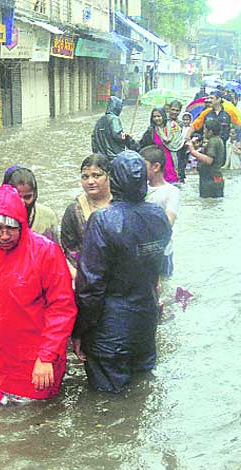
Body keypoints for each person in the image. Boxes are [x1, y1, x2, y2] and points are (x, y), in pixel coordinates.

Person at [0, 185, 77, 404]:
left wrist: (46, 357)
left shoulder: (46, 252)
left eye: (11, 228)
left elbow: (61, 308)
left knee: (37, 413)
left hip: (34, 360)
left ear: (22, 223)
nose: (4, 236)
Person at [73, 151, 172, 393]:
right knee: (142, 391)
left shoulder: (102, 220)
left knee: (108, 400)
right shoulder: (158, 216)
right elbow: (158, 268)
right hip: (145, 323)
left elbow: (90, 286)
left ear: (113, 180)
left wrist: (79, 331)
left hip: (110, 330)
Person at [60, 154, 113, 277]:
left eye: (96, 176)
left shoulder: (121, 204)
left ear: (109, 176)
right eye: (85, 177)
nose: (90, 182)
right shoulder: (74, 210)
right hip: (87, 276)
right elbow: (69, 248)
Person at [140, 145, 180, 278]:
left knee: (163, 282)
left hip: (162, 251)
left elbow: (169, 222)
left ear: (156, 167)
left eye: (143, 166)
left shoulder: (171, 191)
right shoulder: (140, 188)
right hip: (141, 249)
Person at [2, 165, 59, 243]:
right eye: (17, 197)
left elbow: (55, 247)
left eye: (27, 197)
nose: (22, 203)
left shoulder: (47, 217)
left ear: (35, 194)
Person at [138, 108, 180, 184]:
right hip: (158, 163)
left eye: (159, 116)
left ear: (163, 116)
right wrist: (128, 140)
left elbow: (179, 143)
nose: (157, 119)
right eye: (154, 117)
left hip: (172, 160)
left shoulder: (173, 127)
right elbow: (142, 146)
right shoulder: (151, 131)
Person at [189, 119, 225, 198]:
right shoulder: (218, 140)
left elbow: (209, 160)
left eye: (205, 129)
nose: (203, 131)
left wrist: (193, 151)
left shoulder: (213, 141)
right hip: (216, 178)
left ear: (210, 132)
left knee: (207, 202)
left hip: (210, 179)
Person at [91, 96, 133, 160]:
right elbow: (117, 135)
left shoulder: (99, 120)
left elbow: (93, 138)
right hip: (113, 156)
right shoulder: (114, 119)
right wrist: (127, 137)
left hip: (100, 157)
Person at [167, 100, 188, 184]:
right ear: (168, 109)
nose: (174, 112)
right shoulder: (163, 122)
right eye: (173, 109)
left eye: (177, 110)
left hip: (179, 154)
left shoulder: (181, 125)